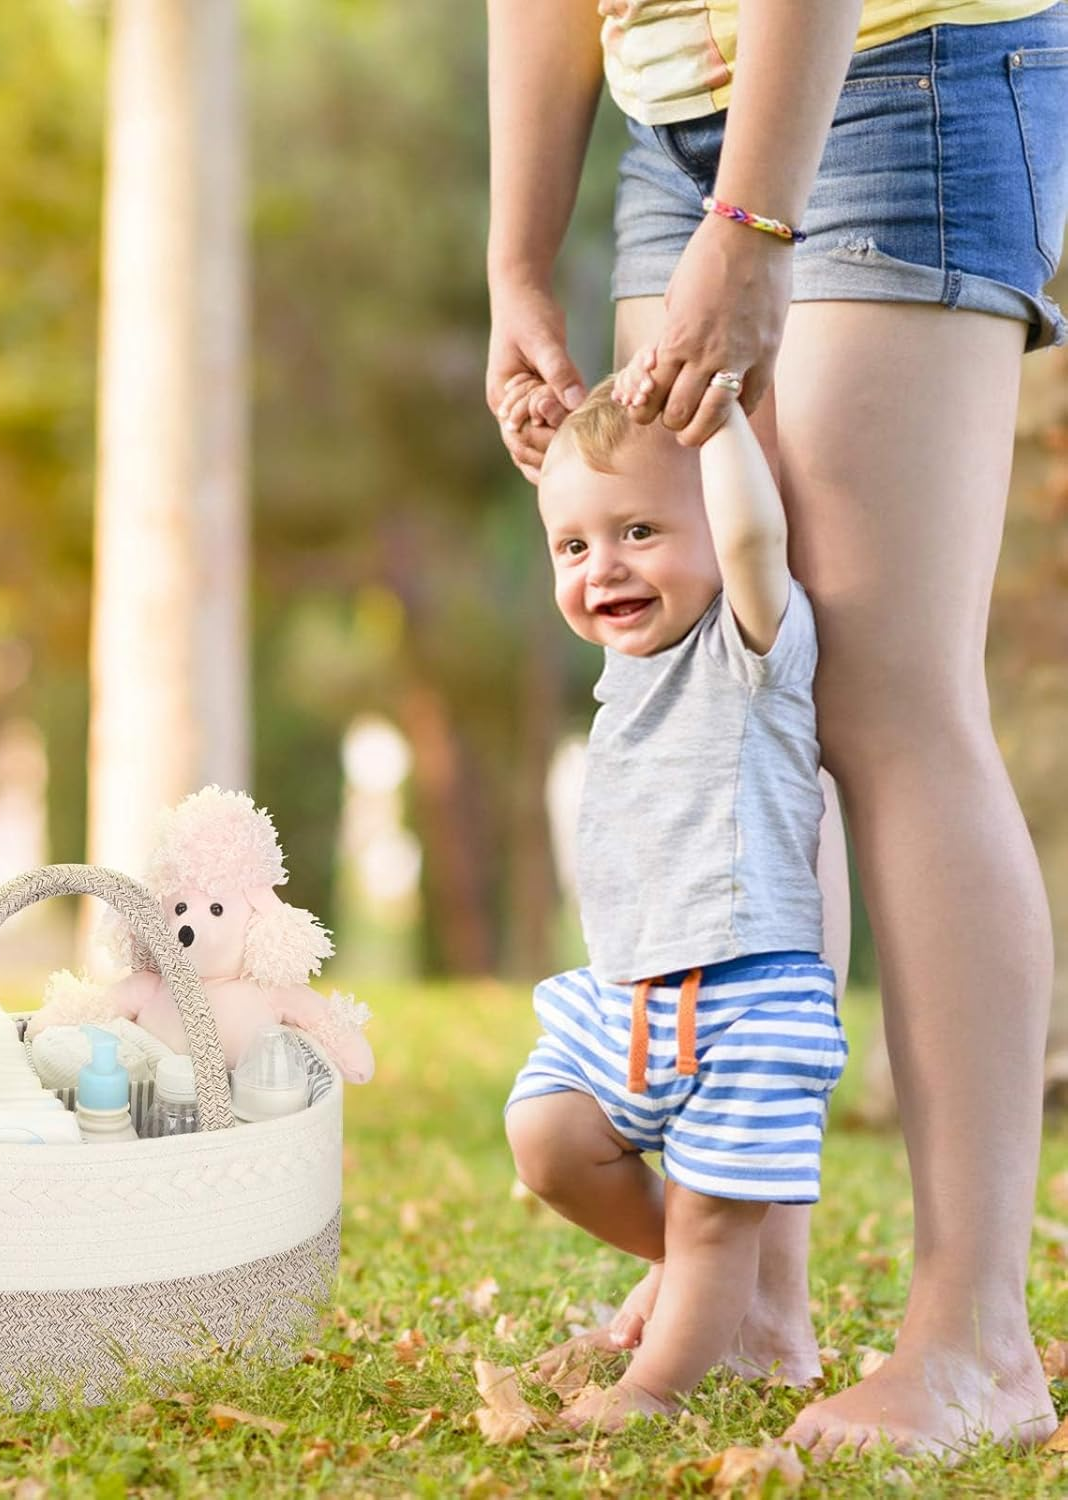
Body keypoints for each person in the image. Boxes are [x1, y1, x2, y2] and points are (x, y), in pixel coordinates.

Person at [487, 0, 1067, 1457]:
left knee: (884, 696)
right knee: (729, 698)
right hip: (667, 115)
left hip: (897, 62)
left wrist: (753, 217)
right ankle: (751, 1305)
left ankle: (976, 1345)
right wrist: (512, 260)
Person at [506, 364, 849, 1429]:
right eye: (574, 546)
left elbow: (750, 539)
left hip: (746, 997)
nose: (603, 566)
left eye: (641, 532)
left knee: (709, 1226)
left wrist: (719, 424)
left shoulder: (750, 647)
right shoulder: (623, 672)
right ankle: (713, 1271)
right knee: (547, 1138)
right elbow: (594, 509)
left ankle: (657, 1383)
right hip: (626, 998)